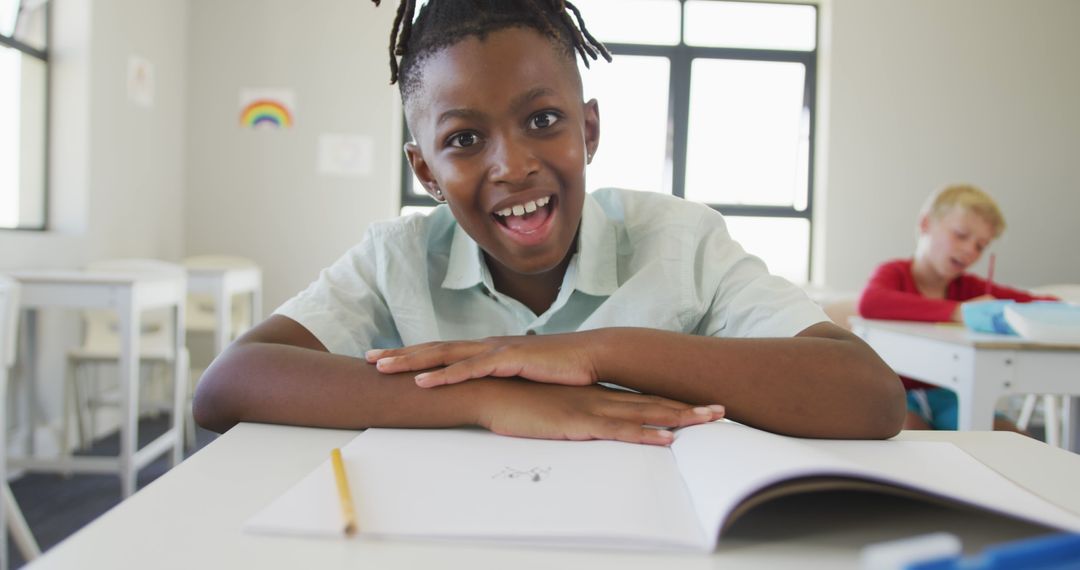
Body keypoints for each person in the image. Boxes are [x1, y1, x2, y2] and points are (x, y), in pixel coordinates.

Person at [194, 0, 904, 444]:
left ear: (588, 129)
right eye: (465, 140)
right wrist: (488, 399)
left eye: (543, 120)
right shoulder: (397, 258)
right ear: (426, 172)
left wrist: (594, 352)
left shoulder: (680, 241)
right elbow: (229, 386)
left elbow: (868, 396)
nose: (513, 165)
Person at [858, 184, 1055, 431]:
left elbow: (1036, 302)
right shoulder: (894, 273)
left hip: (950, 395)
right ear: (925, 224)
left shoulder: (972, 288)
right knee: (908, 439)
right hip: (895, 393)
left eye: (981, 246)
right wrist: (959, 312)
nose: (969, 250)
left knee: (1012, 438)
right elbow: (871, 302)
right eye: (961, 235)